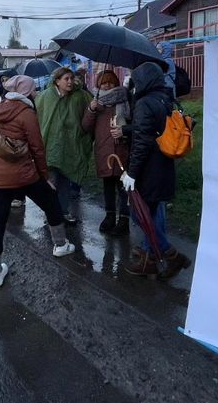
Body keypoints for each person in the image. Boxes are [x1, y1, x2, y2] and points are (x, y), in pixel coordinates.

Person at [0, 75, 75, 287]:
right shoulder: (27, 113)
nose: (35, 93)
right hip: (24, 174)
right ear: (26, 92)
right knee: (51, 201)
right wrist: (45, 176)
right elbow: (37, 148)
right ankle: (60, 244)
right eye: (33, 90)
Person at [120, 61, 191, 279]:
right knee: (153, 210)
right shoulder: (165, 98)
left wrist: (132, 173)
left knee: (140, 212)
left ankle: (167, 254)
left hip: (149, 169)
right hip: (164, 165)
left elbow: (142, 141)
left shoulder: (143, 103)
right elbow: (154, 131)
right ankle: (151, 252)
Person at [35, 66, 93, 225]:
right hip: (51, 145)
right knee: (52, 181)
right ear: (57, 81)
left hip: (71, 145)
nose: (70, 82)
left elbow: (88, 116)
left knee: (66, 179)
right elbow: (39, 117)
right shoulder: (46, 96)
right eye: (66, 79)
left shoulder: (80, 96)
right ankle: (52, 213)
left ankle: (64, 211)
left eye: (71, 78)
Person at [81, 69, 130, 236]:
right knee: (108, 185)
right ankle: (110, 216)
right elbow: (86, 126)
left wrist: (125, 130)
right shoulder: (96, 102)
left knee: (123, 187)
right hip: (104, 149)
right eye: (104, 82)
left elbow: (133, 121)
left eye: (111, 81)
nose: (108, 85)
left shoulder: (125, 98)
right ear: (98, 85)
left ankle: (124, 219)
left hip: (122, 148)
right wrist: (91, 109)